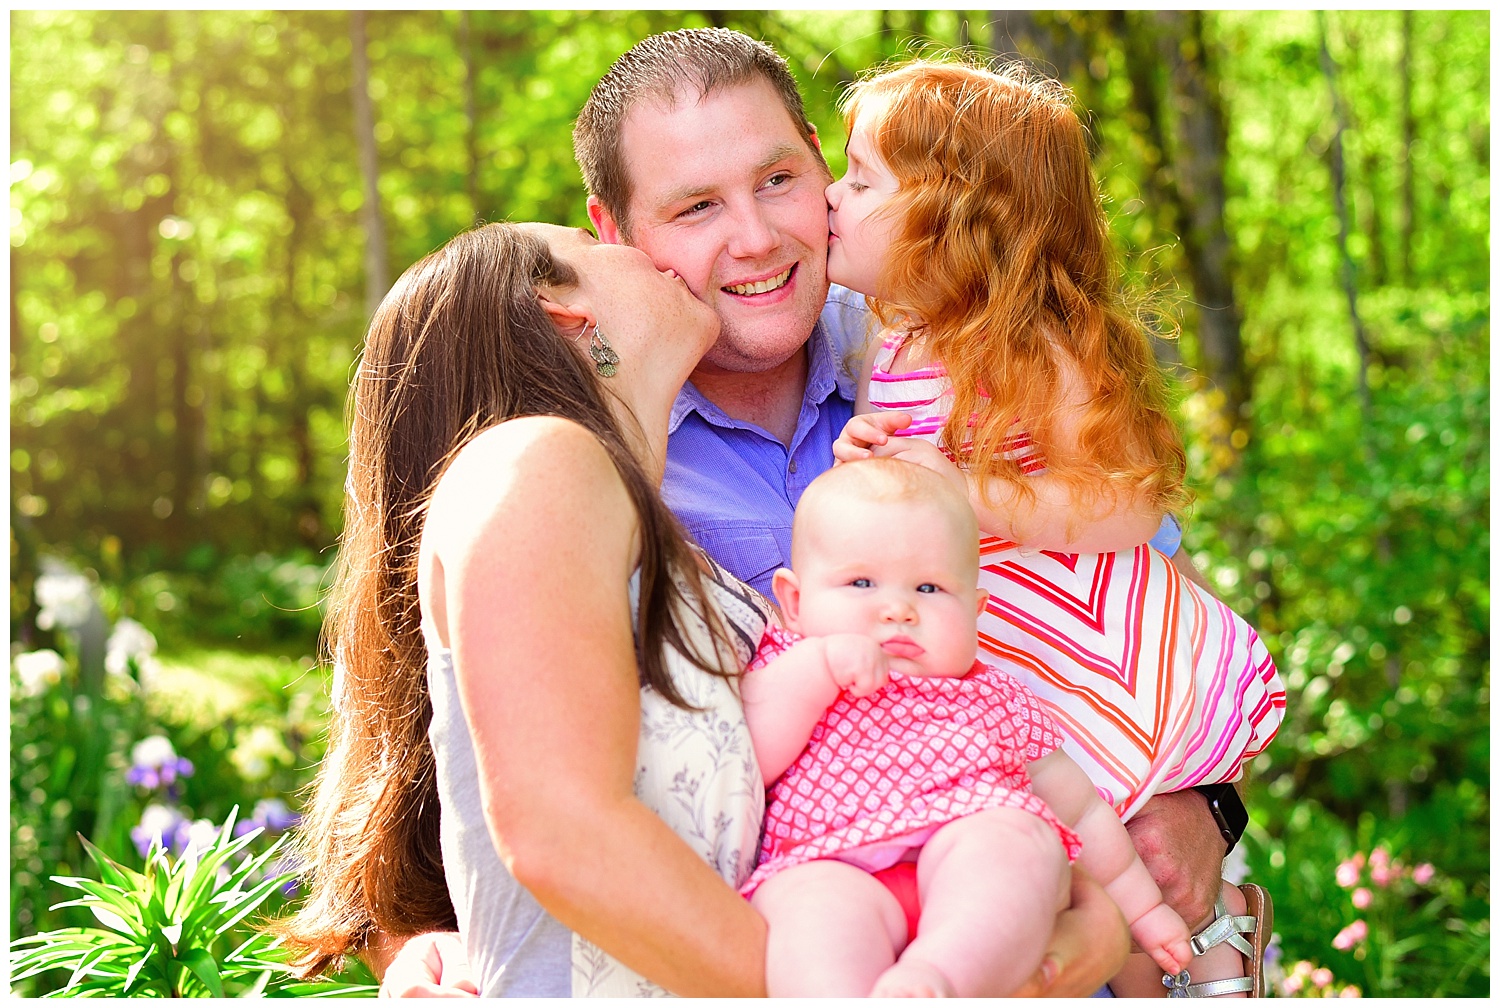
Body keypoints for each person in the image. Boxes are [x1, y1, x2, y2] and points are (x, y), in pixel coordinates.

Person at [371, 28, 1236, 996]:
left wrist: (1207, 812)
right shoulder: (573, 472)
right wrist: (418, 940)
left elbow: (1148, 609)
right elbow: (470, 768)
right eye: (697, 206)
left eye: (778, 179)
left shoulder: (946, 340)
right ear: (614, 237)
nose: (754, 236)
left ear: (826, 171)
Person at [825, 58, 1284, 995]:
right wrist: (872, 468)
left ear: (955, 218)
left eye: (860, 179)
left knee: (1104, 813)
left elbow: (1127, 502)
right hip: (989, 634)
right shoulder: (894, 341)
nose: (832, 196)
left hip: (1069, 626)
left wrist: (963, 489)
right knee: (1061, 850)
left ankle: (1205, 942)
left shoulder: (1037, 342)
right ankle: (1179, 949)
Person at [276, 220, 784, 995]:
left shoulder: (652, 539)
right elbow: (562, 830)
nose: (653, 255)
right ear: (560, 310)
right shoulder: (537, 459)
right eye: (592, 239)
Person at [740, 457, 1194, 997]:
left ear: (974, 611)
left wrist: (1141, 908)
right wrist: (818, 671)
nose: (898, 609)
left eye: (929, 589)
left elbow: (1082, 809)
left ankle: (938, 981)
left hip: (968, 861)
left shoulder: (995, 695)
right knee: (808, 916)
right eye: (862, 582)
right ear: (793, 602)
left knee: (1019, 841)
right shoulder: (786, 666)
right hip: (830, 862)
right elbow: (748, 761)